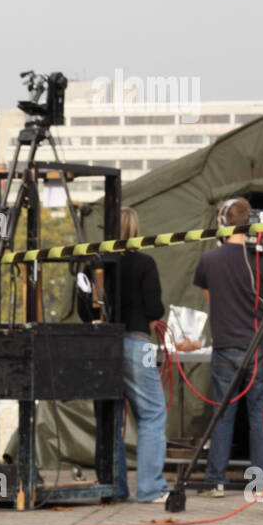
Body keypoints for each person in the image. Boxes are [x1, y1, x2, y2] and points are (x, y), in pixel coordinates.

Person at [193, 196, 263, 497]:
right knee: (259, 416)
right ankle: (261, 484)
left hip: (225, 346)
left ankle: (214, 481)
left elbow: (210, 300)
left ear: (221, 221)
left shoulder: (208, 260)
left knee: (223, 414)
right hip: (260, 346)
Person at [93, 209, 169, 504]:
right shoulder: (145, 263)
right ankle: (150, 488)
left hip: (102, 347)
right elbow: (153, 309)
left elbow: (87, 306)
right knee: (152, 415)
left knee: (110, 418)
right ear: (137, 230)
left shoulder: (98, 264)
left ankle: (114, 487)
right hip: (139, 346)